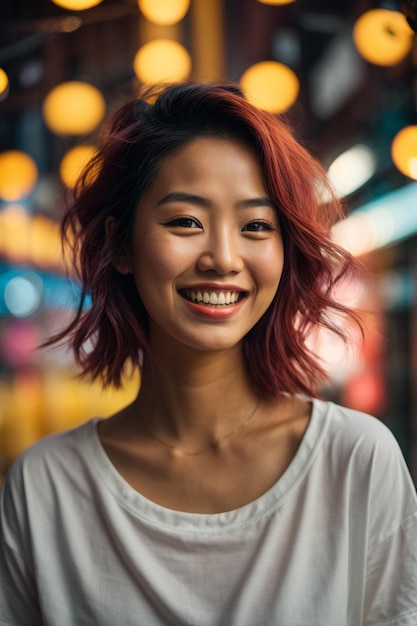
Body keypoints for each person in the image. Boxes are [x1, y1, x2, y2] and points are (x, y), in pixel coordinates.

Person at [1, 81, 416, 626]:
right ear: (120, 245)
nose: (223, 258)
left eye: (256, 227)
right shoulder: (45, 488)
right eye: (185, 222)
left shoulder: (356, 461)